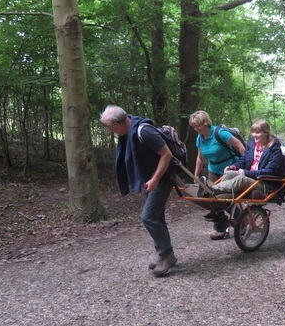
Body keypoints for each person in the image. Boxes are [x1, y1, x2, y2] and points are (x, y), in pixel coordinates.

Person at [100, 105, 177, 277]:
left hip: (162, 179)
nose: (109, 131)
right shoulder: (127, 133)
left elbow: (167, 155)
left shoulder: (144, 132)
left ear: (118, 124)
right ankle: (165, 253)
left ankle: (167, 255)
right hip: (149, 179)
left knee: (148, 217)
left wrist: (155, 178)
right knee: (157, 216)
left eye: (109, 127)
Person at [189, 111, 246, 240]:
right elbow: (199, 158)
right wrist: (195, 175)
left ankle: (242, 222)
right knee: (213, 199)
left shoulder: (220, 133)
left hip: (229, 169)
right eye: (193, 126)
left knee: (224, 199)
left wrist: (244, 166)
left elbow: (240, 147)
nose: (196, 129)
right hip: (213, 169)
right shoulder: (200, 137)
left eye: (198, 125)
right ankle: (221, 228)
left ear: (205, 123)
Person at [204, 119, 284, 199]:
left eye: (258, 132)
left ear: (266, 133)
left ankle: (211, 189)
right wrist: (233, 167)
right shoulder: (252, 143)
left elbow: (270, 171)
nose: (254, 135)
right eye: (253, 132)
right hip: (251, 178)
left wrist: (247, 173)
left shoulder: (274, 149)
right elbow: (244, 159)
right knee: (229, 173)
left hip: (264, 182)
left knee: (241, 179)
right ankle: (216, 197)